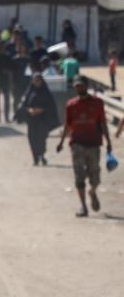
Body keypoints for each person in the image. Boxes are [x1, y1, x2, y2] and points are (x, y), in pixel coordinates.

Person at [60, 77, 110, 217]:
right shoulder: (71, 104)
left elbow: (103, 123)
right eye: (77, 86)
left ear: (87, 86)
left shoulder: (97, 103)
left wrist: (109, 142)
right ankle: (83, 206)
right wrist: (61, 142)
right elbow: (67, 125)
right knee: (79, 176)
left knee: (95, 178)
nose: (79, 88)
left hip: (93, 144)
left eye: (81, 86)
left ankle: (92, 192)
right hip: (77, 144)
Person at [21, 73, 59, 166]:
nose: (36, 82)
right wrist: (29, 110)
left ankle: (41, 155)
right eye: (34, 80)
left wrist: (42, 109)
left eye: (38, 80)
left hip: (43, 119)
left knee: (41, 138)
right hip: (32, 120)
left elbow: (51, 106)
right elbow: (24, 105)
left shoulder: (46, 93)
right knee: (32, 138)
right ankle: (35, 158)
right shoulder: (29, 92)